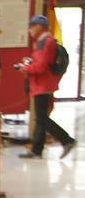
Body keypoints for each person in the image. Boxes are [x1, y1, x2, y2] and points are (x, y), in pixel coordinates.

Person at [16, 14, 76, 159]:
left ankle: (66, 140)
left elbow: (41, 67)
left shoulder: (44, 42)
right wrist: (29, 62)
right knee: (41, 118)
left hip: (41, 84)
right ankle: (37, 150)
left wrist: (25, 68)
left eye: (31, 26)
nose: (29, 30)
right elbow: (42, 61)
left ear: (38, 27)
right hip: (43, 84)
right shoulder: (46, 41)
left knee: (42, 118)